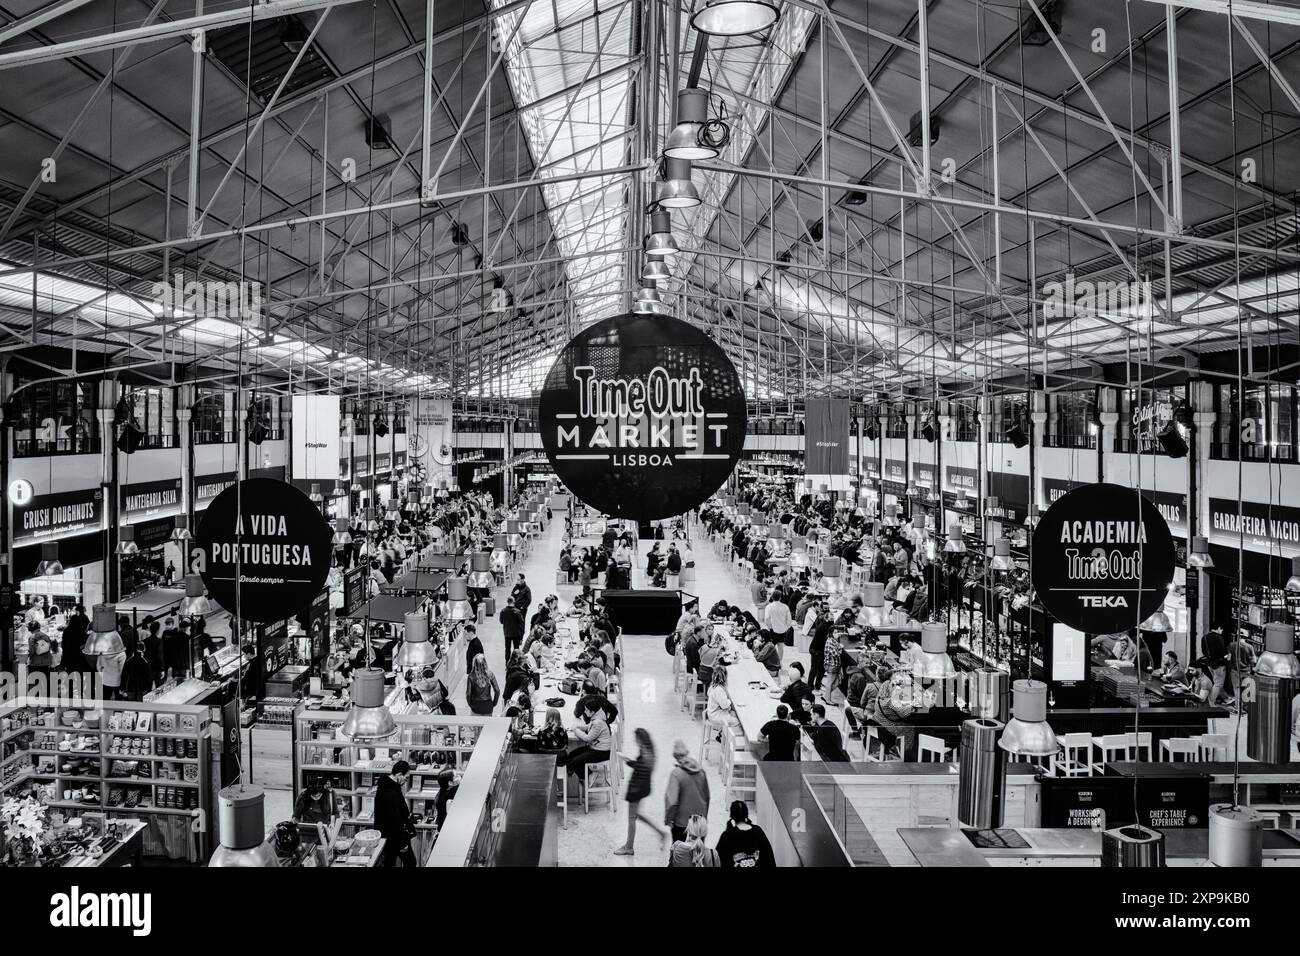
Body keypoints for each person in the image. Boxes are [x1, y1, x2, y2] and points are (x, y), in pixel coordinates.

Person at [613, 728, 667, 856]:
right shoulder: (649, 751)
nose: (634, 741)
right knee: (637, 815)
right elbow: (641, 767)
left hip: (636, 791)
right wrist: (628, 760)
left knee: (631, 818)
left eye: (636, 739)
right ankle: (661, 832)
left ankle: (629, 847)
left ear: (640, 740)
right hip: (643, 789)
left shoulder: (645, 755)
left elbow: (640, 773)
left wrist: (631, 794)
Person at [663, 739, 710, 842]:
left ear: (675, 756)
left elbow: (672, 802)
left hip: (681, 823)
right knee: (698, 854)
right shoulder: (701, 771)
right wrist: (704, 818)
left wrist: (668, 819)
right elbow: (707, 797)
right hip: (699, 822)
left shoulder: (676, 774)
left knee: (679, 855)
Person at [374, 760, 417, 866]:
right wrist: (403, 843)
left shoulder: (385, 786)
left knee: (389, 862)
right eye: (406, 778)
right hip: (396, 837)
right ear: (399, 775)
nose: (406, 781)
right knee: (410, 862)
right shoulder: (391, 793)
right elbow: (395, 820)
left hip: (387, 836)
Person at [714, 800, 776, 868]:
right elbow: (770, 859)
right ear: (746, 814)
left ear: (732, 816)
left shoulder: (727, 836)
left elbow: (716, 860)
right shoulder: (758, 831)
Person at [567, 699, 612, 781]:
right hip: (596, 747)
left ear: (592, 712)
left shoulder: (598, 722)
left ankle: (588, 777)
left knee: (575, 762)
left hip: (601, 752)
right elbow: (588, 727)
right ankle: (584, 776)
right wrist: (578, 727)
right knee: (571, 755)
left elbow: (587, 738)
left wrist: (576, 730)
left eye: (587, 710)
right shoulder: (596, 717)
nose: (585, 711)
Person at [498, 598, 526, 667]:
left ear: (507, 602)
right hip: (516, 633)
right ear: (514, 602)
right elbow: (521, 622)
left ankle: (507, 665)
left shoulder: (503, 611)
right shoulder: (517, 612)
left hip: (507, 633)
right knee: (516, 649)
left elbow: (501, 621)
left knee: (507, 649)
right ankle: (517, 664)